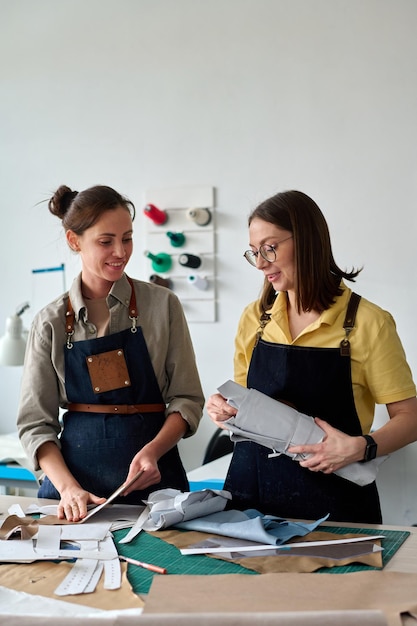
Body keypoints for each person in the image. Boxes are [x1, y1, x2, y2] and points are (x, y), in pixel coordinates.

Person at [206, 190, 417, 524]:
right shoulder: (255, 319)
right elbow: (246, 408)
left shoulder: (367, 323)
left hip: (336, 504)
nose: (260, 263)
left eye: (270, 248)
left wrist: (362, 446)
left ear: (306, 241)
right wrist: (222, 411)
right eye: (254, 252)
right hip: (252, 497)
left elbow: (410, 417)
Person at [17, 184, 204, 522]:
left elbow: (187, 400)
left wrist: (153, 451)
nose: (120, 251)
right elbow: (35, 425)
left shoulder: (163, 306)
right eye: (106, 241)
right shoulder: (49, 322)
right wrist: (67, 488)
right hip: (73, 496)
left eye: (127, 238)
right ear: (75, 241)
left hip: (155, 485)